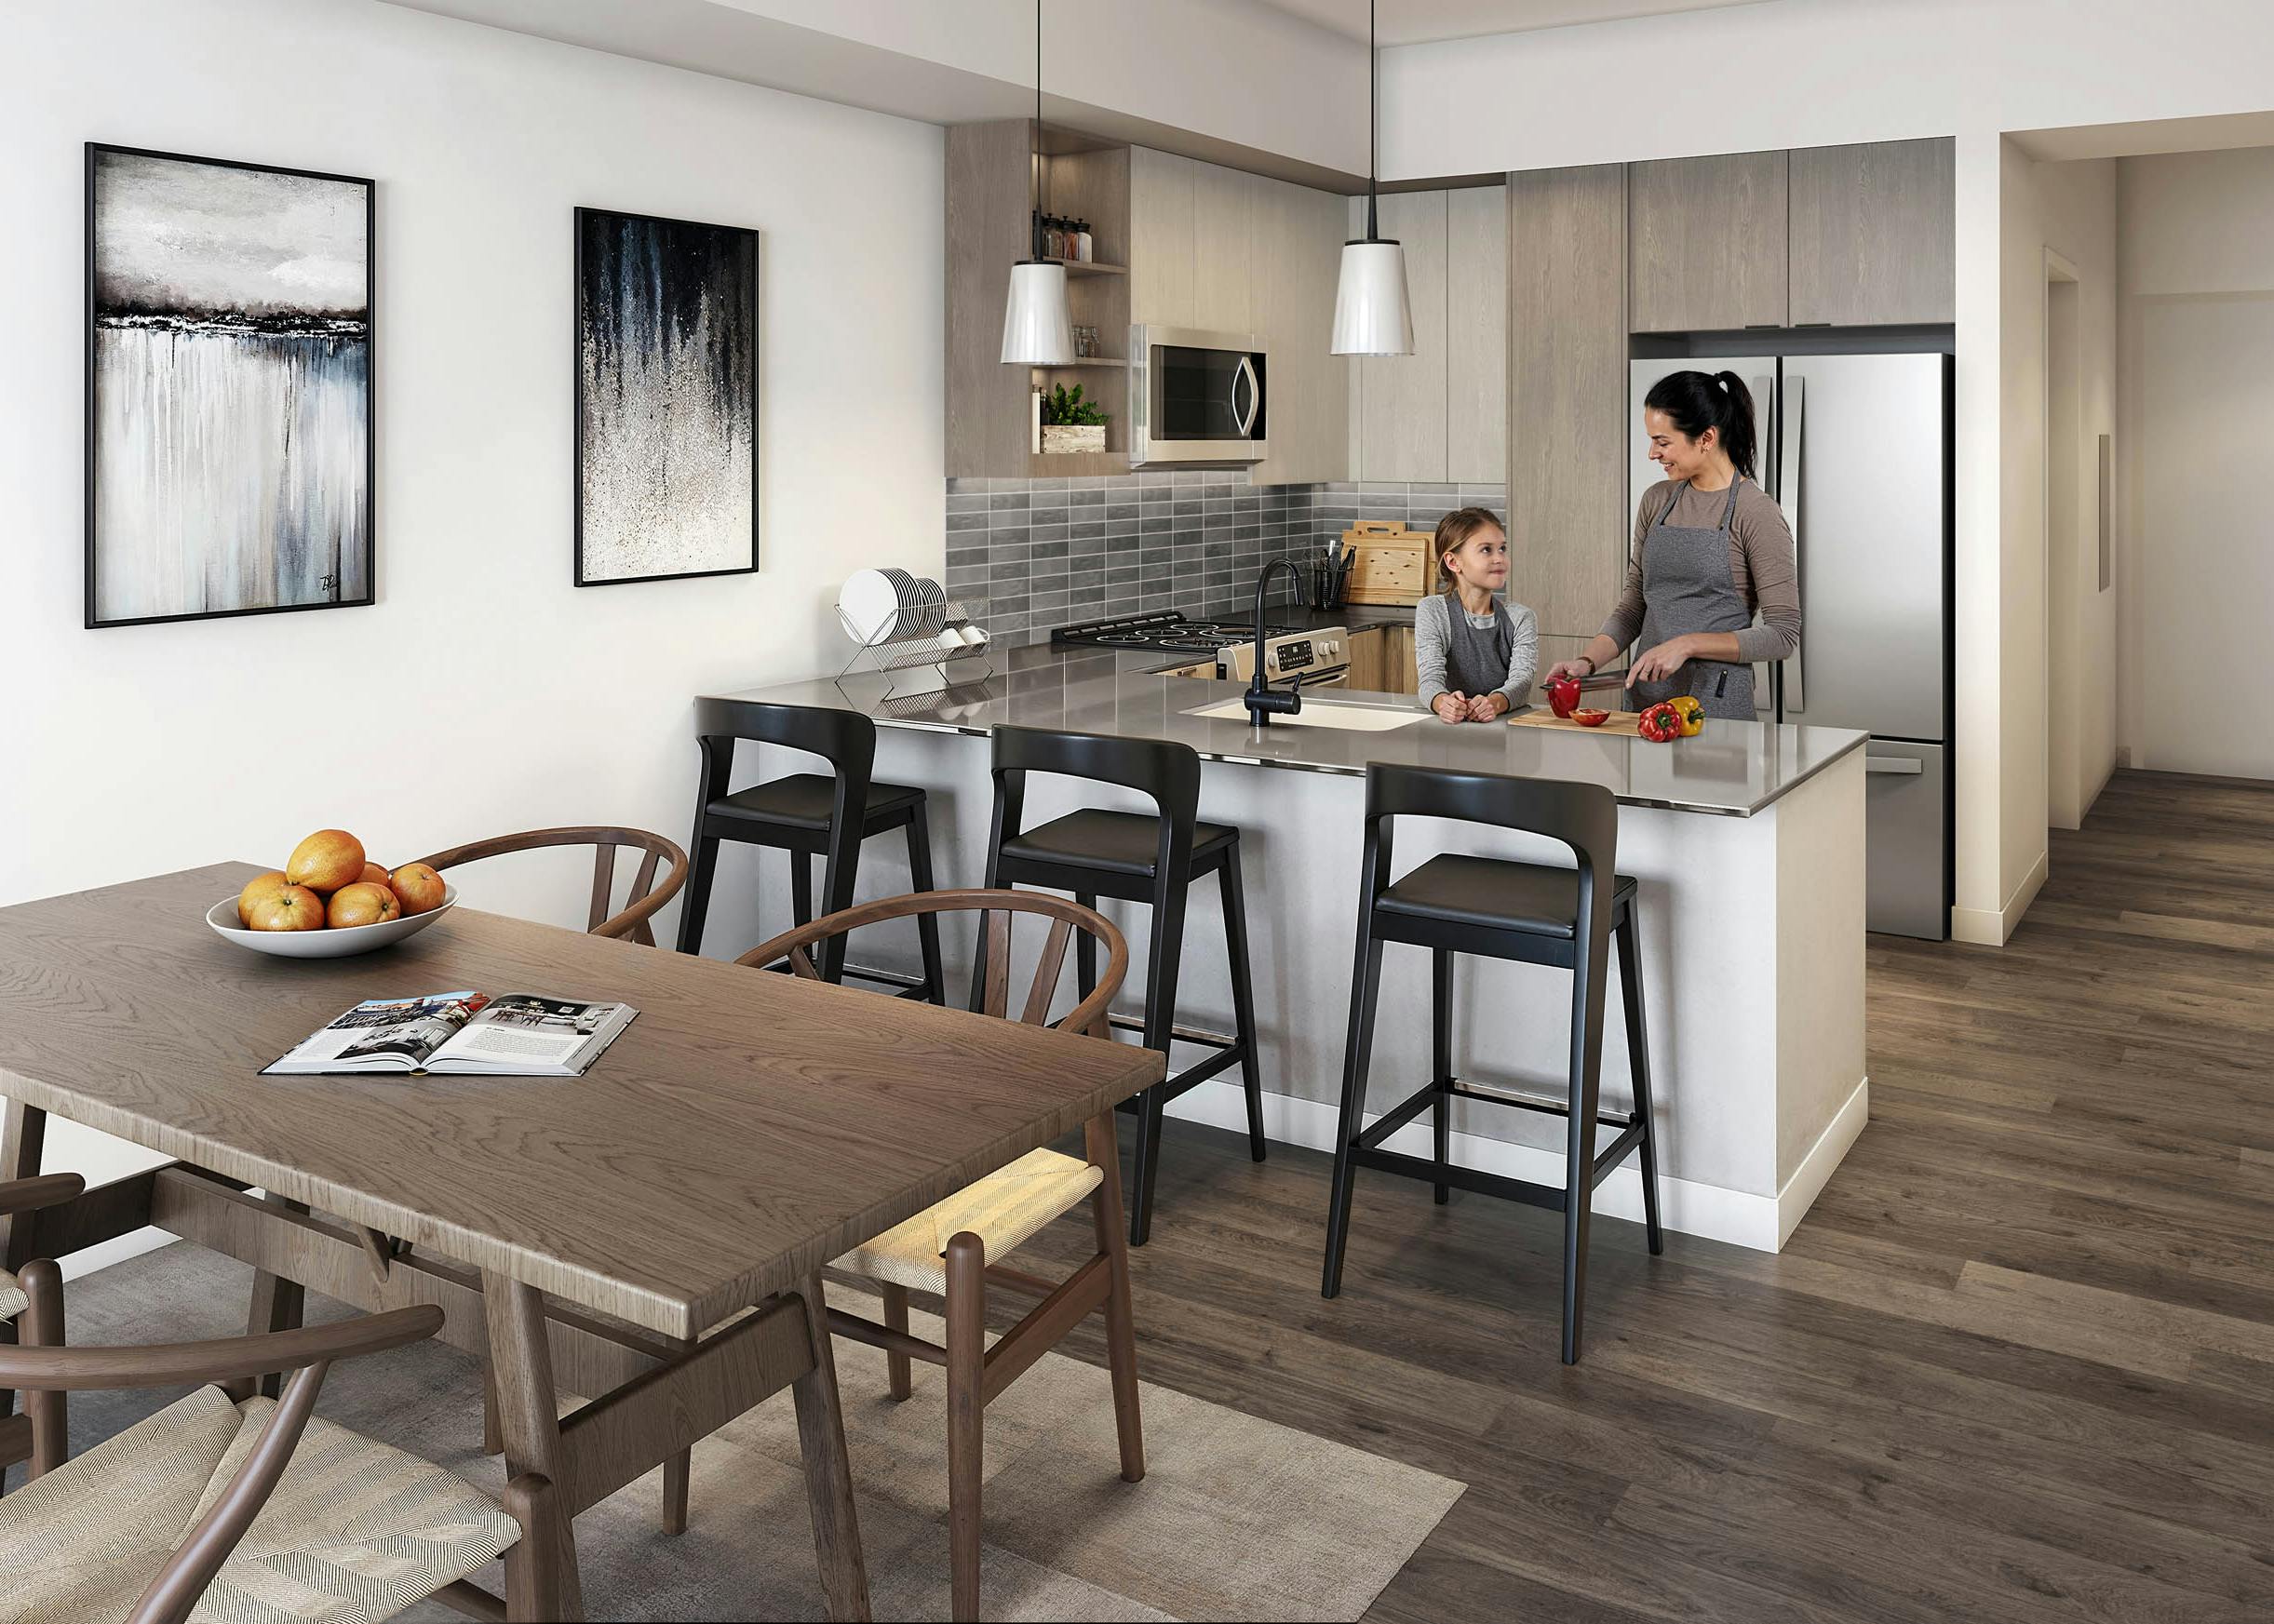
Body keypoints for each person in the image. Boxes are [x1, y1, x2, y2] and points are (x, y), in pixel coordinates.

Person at [1543, 370, 1800, 720]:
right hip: (1646, 705)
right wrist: (1586, 662)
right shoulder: (1657, 500)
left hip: (1716, 710)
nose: (1653, 454)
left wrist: (1688, 645)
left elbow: (1782, 634)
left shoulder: (1755, 512)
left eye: (1662, 442)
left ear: (1706, 438)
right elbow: (1633, 607)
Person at [1414, 506, 1539, 724]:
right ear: (1453, 562)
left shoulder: (1521, 618)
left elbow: (1522, 682)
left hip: (1504, 730)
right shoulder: (1432, 610)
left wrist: (1495, 703)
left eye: (1502, 548)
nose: (1499, 558)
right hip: (1448, 730)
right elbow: (1429, 679)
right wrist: (1443, 703)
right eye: (1486, 550)